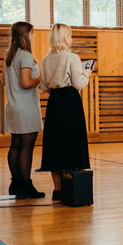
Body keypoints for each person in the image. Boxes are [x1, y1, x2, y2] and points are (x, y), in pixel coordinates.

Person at [39, 23, 93, 201]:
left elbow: (44, 87)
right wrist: (87, 73)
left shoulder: (45, 60)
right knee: (72, 142)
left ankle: (57, 190)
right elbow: (78, 83)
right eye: (70, 35)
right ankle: (73, 188)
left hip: (54, 102)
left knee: (55, 144)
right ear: (64, 37)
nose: (72, 38)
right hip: (70, 101)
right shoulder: (72, 58)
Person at [3, 22, 45, 199]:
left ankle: (16, 184)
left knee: (16, 145)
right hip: (25, 107)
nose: (34, 36)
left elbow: (4, 81)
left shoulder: (10, 55)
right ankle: (26, 185)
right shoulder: (26, 56)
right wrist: (43, 78)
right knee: (27, 147)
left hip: (13, 105)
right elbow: (26, 82)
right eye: (32, 33)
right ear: (25, 35)